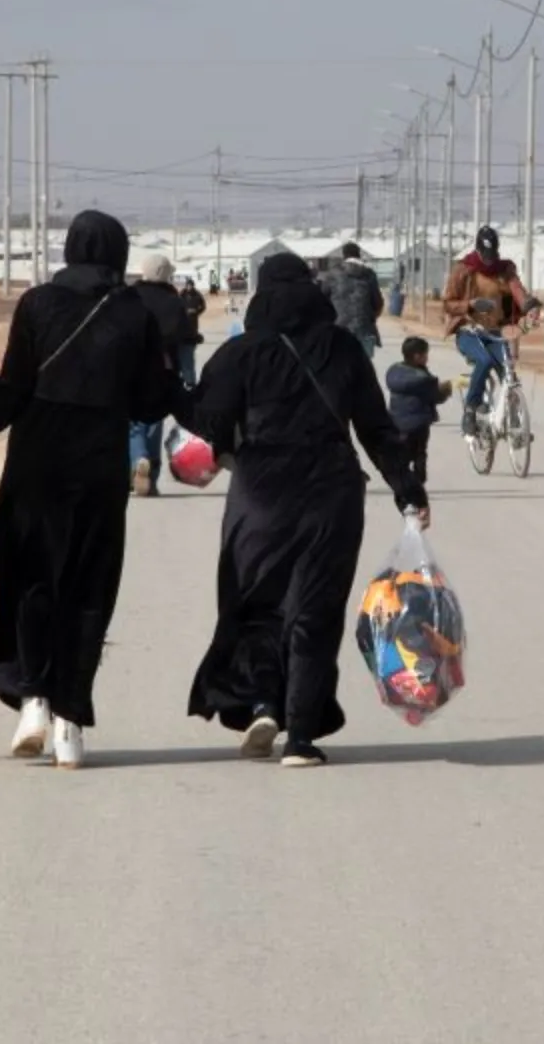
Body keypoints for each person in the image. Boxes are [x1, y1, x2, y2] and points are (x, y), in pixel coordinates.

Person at [0, 211, 175, 770]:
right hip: (99, 472)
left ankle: (33, 700)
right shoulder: (133, 312)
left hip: (37, 467)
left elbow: (13, 388)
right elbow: (146, 402)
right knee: (87, 592)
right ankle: (71, 725)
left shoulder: (37, 303)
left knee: (30, 582)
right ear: (116, 252)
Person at [178, 252, 428, 768]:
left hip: (260, 495)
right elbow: (377, 430)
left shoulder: (241, 353)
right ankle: (300, 738)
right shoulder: (341, 348)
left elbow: (206, 424)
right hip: (329, 493)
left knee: (256, 605)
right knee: (313, 611)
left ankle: (264, 703)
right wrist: (408, 490)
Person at [442, 226, 537, 438]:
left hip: (495, 331)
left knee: (508, 371)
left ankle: (514, 422)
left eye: (492, 256)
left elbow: (517, 290)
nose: (489, 261)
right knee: (484, 361)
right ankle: (470, 409)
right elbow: (448, 304)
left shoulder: (504, 270)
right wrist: (471, 304)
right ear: (477, 250)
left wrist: (529, 304)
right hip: (468, 331)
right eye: (485, 256)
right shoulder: (463, 269)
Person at [127, 252, 192, 498]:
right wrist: (188, 375)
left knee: (133, 425)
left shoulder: (130, 297)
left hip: (131, 368)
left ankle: (138, 461)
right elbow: (185, 341)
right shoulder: (173, 301)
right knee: (154, 422)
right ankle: (151, 478)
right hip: (162, 369)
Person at [384, 335, 453, 499]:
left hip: (397, 422)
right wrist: (446, 390)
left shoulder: (395, 372)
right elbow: (436, 397)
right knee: (420, 454)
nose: (427, 358)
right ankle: (418, 484)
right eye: (425, 354)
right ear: (417, 356)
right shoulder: (424, 379)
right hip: (419, 424)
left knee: (403, 455)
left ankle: (403, 484)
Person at [320, 241, 385, 357]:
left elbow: (322, 301)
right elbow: (378, 303)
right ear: (359, 254)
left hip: (339, 329)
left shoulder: (332, 274)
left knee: (341, 366)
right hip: (364, 328)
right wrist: (370, 318)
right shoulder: (369, 274)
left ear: (344, 256)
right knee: (364, 368)